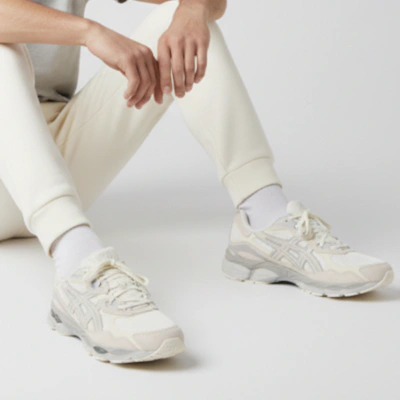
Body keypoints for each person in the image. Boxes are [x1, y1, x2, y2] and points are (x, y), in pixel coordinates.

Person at [0, 0, 393, 364]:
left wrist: (191, 11)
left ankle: (264, 218)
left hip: (52, 164)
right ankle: (78, 266)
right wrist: (90, 32)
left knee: (178, 21)